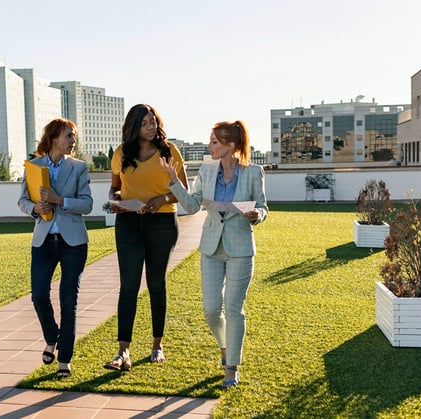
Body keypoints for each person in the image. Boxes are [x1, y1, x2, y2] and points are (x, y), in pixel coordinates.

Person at [160, 120, 268, 388]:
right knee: (210, 309)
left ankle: (231, 367)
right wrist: (174, 182)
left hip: (240, 249)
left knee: (233, 309)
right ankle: (224, 347)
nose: (209, 147)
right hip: (210, 247)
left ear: (231, 146)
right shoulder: (206, 171)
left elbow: (263, 207)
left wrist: (257, 215)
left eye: (214, 142)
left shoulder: (254, 172)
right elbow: (193, 205)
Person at [103, 104, 188, 371]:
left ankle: (157, 345)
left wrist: (161, 198)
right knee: (128, 285)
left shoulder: (169, 151)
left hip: (162, 222)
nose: (151, 127)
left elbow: (184, 192)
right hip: (128, 222)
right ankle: (122, 352)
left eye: (153, 122)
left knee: (155, 282)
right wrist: (114, 201)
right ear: (133, 127)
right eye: (145, 123)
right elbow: (115, 189)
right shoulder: (120, 154)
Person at [18, 118, 92, 379]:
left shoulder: (80, 168)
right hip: (43, 241)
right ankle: (52, 337)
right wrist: (35, 209)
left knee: (68, 300)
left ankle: (65, 358)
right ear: (52, 138)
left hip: (74, 242)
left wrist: (59, 200)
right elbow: (23, 200)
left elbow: (87, 204)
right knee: (38, 295)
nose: (72, 141)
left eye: (73, 136)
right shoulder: (33, 166)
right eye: (67, 136)